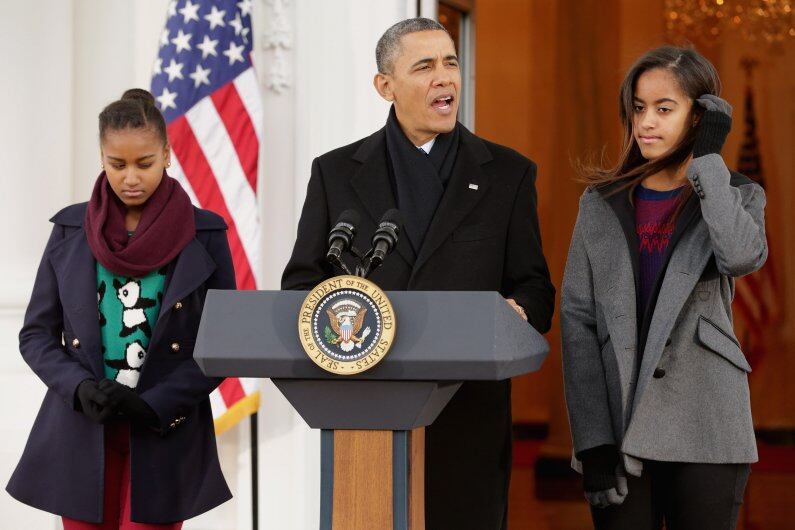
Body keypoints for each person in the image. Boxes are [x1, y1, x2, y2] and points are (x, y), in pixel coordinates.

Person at [281, 17, 555, 530]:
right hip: (366, 409)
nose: (445, 78)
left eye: (450, 62)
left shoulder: (508, 174)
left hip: (468, 412)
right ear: (385, 86)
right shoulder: (335, 172)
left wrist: (514, 313)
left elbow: (536, 290)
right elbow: (301, 285)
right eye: (425, 66)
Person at [6, 89, 235, 529]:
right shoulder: (70, 229)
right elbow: (35, 335)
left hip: (164, 428)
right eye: (118, 164)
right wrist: (78, 387)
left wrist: (154, 405)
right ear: (102, 157)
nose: (131, 177)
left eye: (144, 163)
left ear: (167, 155)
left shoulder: (205, 233)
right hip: (82, 427)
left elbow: (221, 344)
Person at [561, 46, 767, 529]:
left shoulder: (738, 194)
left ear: (700, 117)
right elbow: (577, 320)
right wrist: (592, 440)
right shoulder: (600, 202)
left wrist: (709, 161)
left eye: (664, 108)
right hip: (619, 422)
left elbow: (740, 256)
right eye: (638, 108)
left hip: (708, 421)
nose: (645, 122)